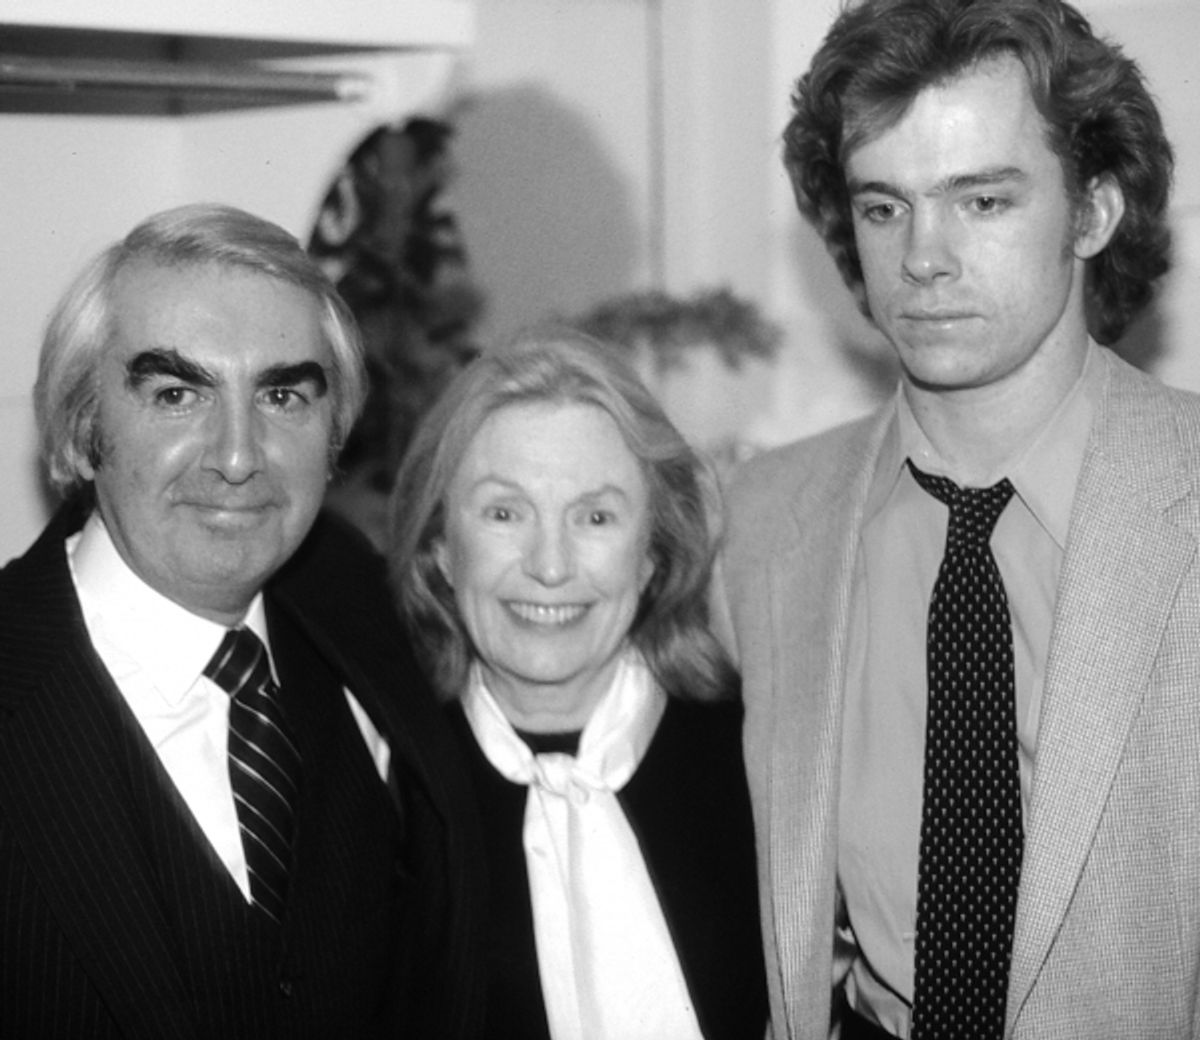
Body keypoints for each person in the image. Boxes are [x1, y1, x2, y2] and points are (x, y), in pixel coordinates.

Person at [717, 0, 1194, 1037]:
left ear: (1095, 209)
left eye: (980, 200)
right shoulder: (759, 523)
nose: (922, 257)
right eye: (884, 207)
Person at [0, 202, 483, 1038]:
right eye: (178, 393)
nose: (236, 456)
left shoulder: (363, 609)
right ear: (82, 431)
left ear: (335, 433)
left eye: (284, 394)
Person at [388, 328, 767, 1040]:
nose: (551, 566)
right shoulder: (383, 793)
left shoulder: (759, 761)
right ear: (439, 545)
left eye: (595, 517)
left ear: (653, 552)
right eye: (505, 513)